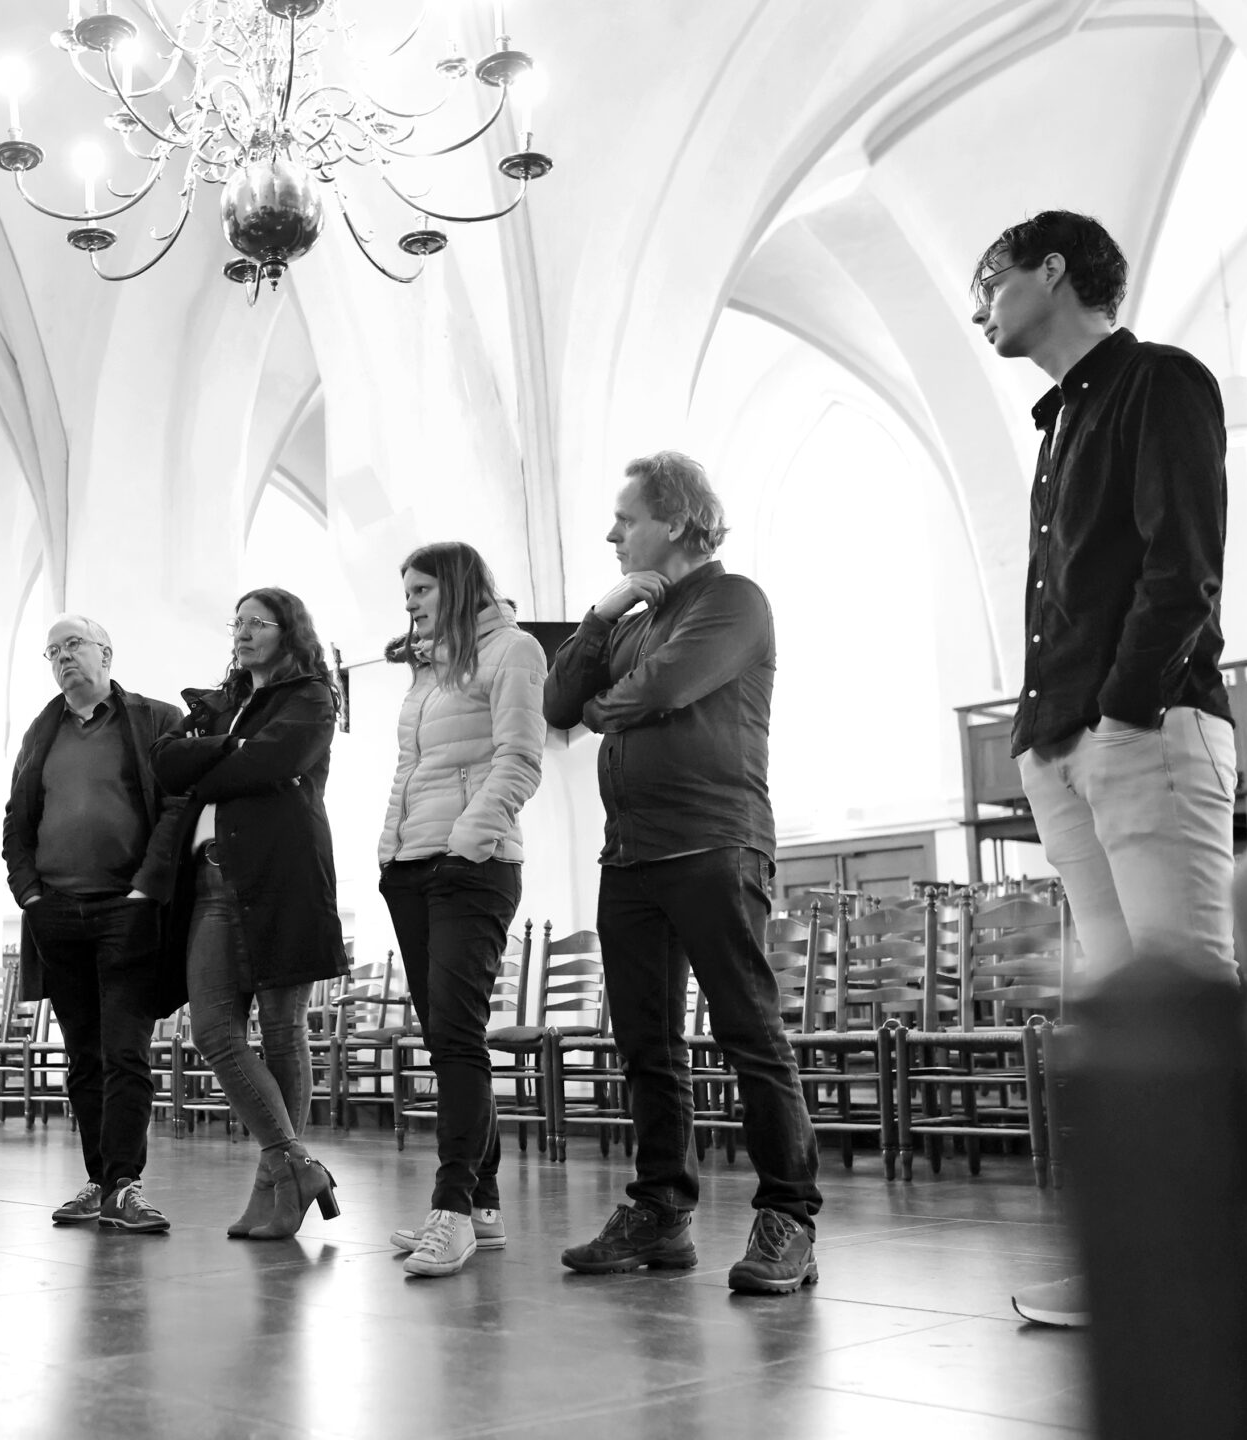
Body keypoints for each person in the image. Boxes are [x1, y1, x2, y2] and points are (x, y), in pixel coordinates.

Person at [964, 212, 1247, 1334]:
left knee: (1186, 1007)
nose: (979, 308)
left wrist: (1126, 709)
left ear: (1052, 271)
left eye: (989, 282)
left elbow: (1183, 564)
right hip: (1068, 742)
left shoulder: (1157, 383)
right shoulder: (1062, 420)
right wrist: (1044, 737)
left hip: (1145, 728)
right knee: (1136, 1031)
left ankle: (1236, 1288)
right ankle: (1157, 1272)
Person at [542, 449, 823, 1293]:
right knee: (646, 1045)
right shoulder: (631, 618)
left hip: (714, 842)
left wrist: (602, 708)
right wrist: (601, 616)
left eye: (625, 519)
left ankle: (788, 1216)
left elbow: (661, 690)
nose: (613, 533)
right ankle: (661, 1210)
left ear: (674, 519)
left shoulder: (734, 602)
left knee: (749, 1033)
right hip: (630, 853)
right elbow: (557, 704)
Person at [150, 588, 348, 1240]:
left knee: (284, 1030)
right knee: (213, 1029)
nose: (242, 632)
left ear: (289, 631)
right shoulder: (222, 703)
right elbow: (165, 763)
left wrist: (215, 760)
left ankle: (278, 1190)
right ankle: (296, 1163)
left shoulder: (310, 697)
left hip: (283, 877)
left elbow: (273, 761)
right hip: (210, 881)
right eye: (236, 622)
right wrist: (232, 749)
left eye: (257, 622)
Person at [374, 543, 546, 1277]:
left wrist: (467, 842)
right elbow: (411, 771)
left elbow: (520, 758)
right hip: (411, 867)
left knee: (455, 1038)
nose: (409, 601)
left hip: (472, 867)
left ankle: (451, 1209)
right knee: (450, 1037)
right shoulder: (429, 671)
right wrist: (391, 851)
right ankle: (483, 1207)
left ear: (456, 584)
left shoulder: (514, 650)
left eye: (421, 588)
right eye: (406, 590)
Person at [2, 615, 187, 1232]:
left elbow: (176, 808)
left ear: (106, 653)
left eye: (73, 645)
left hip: (125, 910)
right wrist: (29, 893)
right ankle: (100, 1180)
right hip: (56, 911)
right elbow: (17, 819)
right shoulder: (42, 729)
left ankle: (125, 1183)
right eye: (52, 651)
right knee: (82, 1055)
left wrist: (146, 887)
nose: (62, 657)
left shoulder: (154, 719)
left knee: (124, 1051)